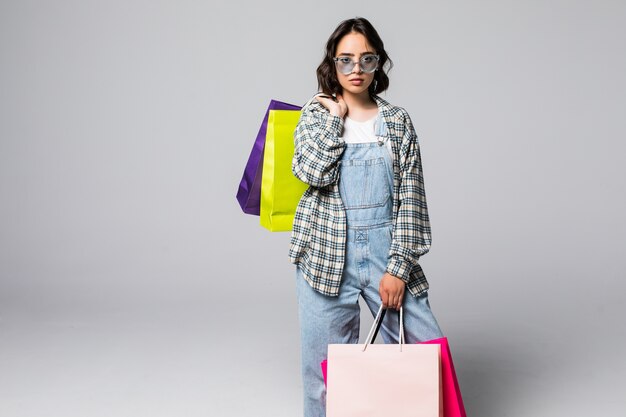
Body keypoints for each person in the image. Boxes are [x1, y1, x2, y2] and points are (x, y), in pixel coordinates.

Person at [289, 17, 444, 417]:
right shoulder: (315, 115)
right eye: (345, 60)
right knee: (322, 377)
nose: (355, 69)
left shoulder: (397, 122)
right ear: (332, 65)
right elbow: (311, 173)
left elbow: (412, 202)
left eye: (366, 59)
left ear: (378, 64)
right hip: (324, 257)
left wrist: (397, 268)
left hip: (385, 253)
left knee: (428, 358)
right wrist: (335, 117)